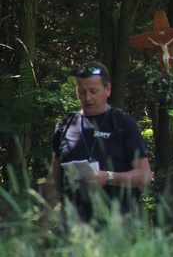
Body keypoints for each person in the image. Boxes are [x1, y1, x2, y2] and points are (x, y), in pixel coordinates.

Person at [42, 62, 152, 228]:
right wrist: (41, 223)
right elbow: (54, 179)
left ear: (107, 90)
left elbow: (145, 176)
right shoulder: (66, 125)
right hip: (73, 227)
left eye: (94, 91)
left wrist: (108, 177)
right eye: (81, 92)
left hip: (116, 225)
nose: (87, 98)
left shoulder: (122, 123)